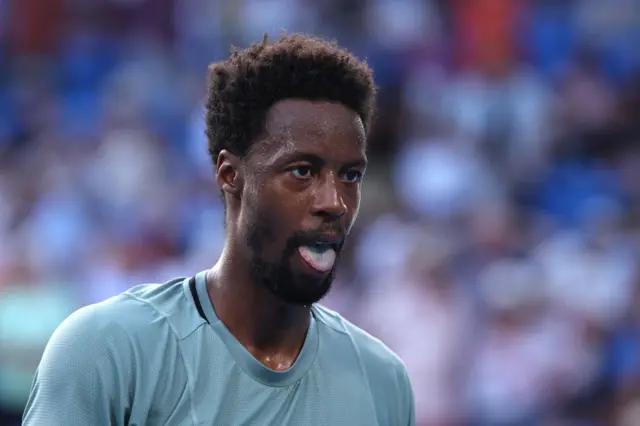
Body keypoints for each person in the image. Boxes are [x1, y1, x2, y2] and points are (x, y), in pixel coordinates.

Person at [22, 33, 415, 425]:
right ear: (231, 175)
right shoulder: (109, 349)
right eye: (302, 171)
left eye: (350, 175)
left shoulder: (383, 382)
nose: (335, 201)